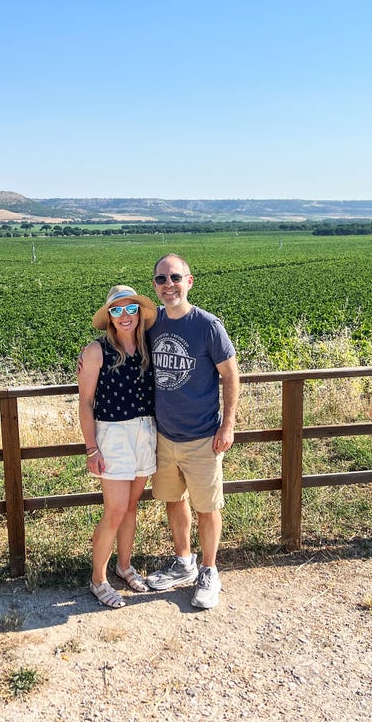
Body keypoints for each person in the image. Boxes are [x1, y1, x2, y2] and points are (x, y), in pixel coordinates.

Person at [145, 254, 239, 610]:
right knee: (173, 500)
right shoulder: (153, 324)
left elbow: (231, 376)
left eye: (175, 277)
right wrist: (90, 356)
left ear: (189, 281)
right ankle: (184, 562)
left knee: (207, 507)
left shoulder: (207, 325)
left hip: (203, 436)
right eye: (161, 279)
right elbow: (119, 339)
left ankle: (210, 569)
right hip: (165, 436)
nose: (168, 285)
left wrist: (227, 425)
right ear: (154, 285)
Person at [78, 285, 158, 609]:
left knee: (131, 507)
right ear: (109, 317)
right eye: (116, 310)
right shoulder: (96, 352)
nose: (124, 316)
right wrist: (91, 449)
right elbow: (85, 404)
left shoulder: (148, 348)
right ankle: (99, 579)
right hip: (112, 434)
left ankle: (124, 566)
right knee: (114, 510)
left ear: (139, 312)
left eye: (130, 309)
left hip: (145, 431)